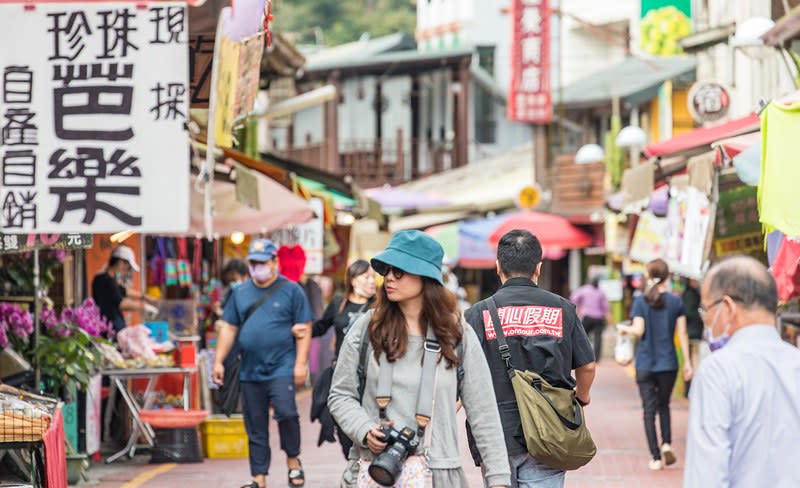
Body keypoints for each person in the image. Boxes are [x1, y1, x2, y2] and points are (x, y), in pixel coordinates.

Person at [328, 230, 511, 488]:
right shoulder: (367, 328)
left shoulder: (457, 334)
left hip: (439, 474)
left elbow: (484, 413)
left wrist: (499, 480)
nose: (389, 277)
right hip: (374, 472)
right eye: (387, 270)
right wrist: (365, 429)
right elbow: (339, 395)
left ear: (425, 277)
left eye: (400, 270)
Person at [464, 229, 596, 488]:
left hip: (495, 433)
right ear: (538, 267)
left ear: (498, 266)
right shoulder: (562, 309)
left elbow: (459, 375)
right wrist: (583, 395)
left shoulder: (477, 314)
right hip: (550, 431)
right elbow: (587, 365)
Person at [684, 255, 800, 488]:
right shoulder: (795, 362)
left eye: (705, 309)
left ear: (727, 307)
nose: (706, 320)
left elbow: (707, 474)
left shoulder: (717, 371)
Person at [212, 238, 313, 488]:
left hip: (281, 366)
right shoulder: (240, 293)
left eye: (263, 263)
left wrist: (301, 364)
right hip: (249, 369)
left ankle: (293, 460)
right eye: (253, 263)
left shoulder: (292, 290)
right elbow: (229, 328)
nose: (258, 267)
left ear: (275, 262)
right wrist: (218, 361)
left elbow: (305, 328)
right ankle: (259, 477)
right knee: (255, 423)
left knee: (287, 412)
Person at [617, 258, 692, 471]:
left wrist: (623, 329)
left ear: (648, 276)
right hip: (668, 362)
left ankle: (656, 457)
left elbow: (638, 330)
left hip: (645, 364)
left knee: (648, 410)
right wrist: (688, 362)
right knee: (664, 405)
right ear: (667, 277)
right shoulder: (676, 302)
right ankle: (667, 443)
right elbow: (683, 334)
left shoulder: (640, 301)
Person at [311, 259, 377, 458]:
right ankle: (353, 465)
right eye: (367, 277)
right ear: (353, 280)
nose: (372, 281)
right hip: (341, 373)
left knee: (368, 422)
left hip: (370, 375)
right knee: (344, 426)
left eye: (374, 277)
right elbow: (320, 327)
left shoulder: (380, 305)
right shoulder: (339, 303)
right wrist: (298, 329)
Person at [92, 245, 159, 336]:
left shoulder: (110, 280)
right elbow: (121, 303)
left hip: (114, 330)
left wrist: (145, 297)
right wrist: (143, 307)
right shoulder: (104, 280)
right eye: (128, 268)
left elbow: (124, 291)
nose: (127, 271)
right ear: (120, 262)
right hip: (109, 332)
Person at [570, 277, 612, 362]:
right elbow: (606, 309)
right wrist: (610, 322)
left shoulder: (584, 289)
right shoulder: (600, 292)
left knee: (583, 336)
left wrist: (579, 307)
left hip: (587, 317)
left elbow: (573, 298)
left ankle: (583, 355)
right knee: (598, 338)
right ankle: (596, 358)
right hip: (599, 319)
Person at [680, 278, 704, 396]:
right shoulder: (691, 294)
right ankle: (692, 388)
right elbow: (689, 312)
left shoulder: (688, 293)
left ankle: (689, 388)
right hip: (692, 331)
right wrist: (700, 315)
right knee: (693, 359)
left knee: (690, 359)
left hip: (691, 330)